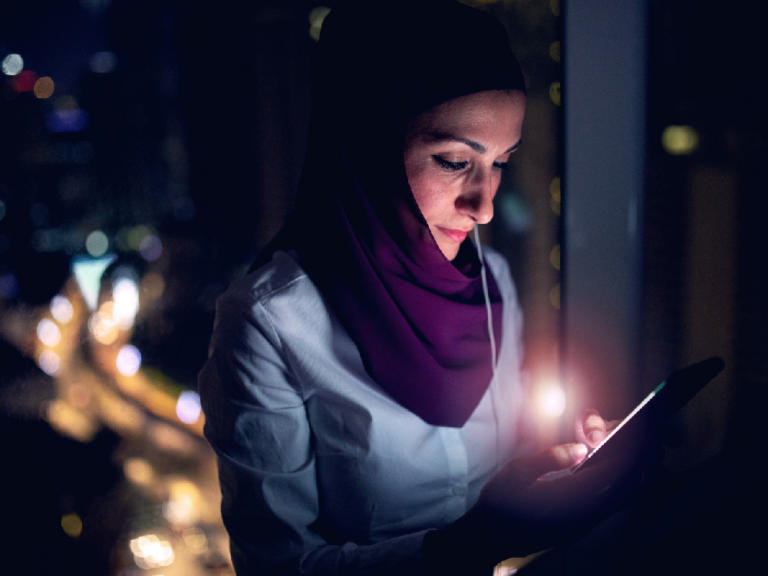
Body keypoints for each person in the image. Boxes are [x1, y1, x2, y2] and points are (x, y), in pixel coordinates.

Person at [198, 2, 639, 574]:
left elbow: (500, 459)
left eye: (501, 162)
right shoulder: (271, 322)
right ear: (369, 146)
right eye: (456, 162)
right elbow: (279, 567)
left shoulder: (490, 280)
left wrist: (563, 455)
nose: (483, 207)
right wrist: (472, 542)